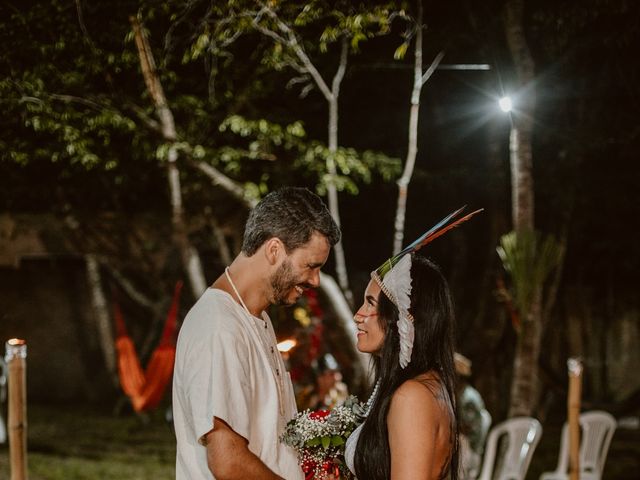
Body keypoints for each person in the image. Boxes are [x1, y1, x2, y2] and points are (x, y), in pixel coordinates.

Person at [172, 187, 340, 480]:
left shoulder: (255, 318)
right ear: (274, 250)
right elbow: (228, 461)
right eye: (310, 266)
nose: (315, 280)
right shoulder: (219, 326)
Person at [344, 207, 482, 480]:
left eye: (370, 303)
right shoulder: (424, 385)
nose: (358, 315)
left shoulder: (412, 396)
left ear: (404, 319)